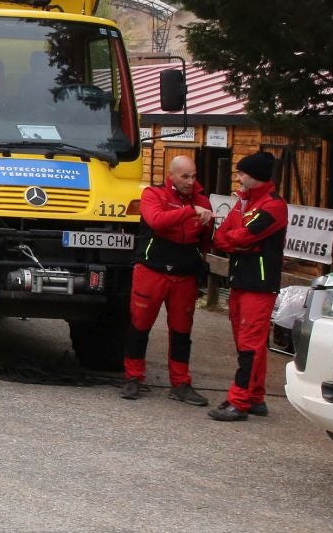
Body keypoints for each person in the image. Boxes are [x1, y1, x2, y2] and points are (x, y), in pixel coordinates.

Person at [121, 155, 214, 405]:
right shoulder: (154, 194)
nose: (190, 181)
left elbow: (206, 240)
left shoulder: (203, 201)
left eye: (194, 176)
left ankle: (181, 382)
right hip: (152, 270)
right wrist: (189, 212)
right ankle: (133, 377)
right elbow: (156, 221)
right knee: (140, 325)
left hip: (184, 274)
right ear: (171, 175)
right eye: (185, 176)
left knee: (182, 330)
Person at [210, 150, 287, 421]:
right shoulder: (244, 203)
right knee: (247, 342)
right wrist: (241, 241)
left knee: (250, 344)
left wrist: (240, 241)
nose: (238, 177)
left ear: (254, 175)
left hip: (260, 283)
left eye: (242, 172)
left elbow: (243, 235)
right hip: (241, 279)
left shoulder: (273, 206)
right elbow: (222, 238)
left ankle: (238, 401)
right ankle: (255, 396)